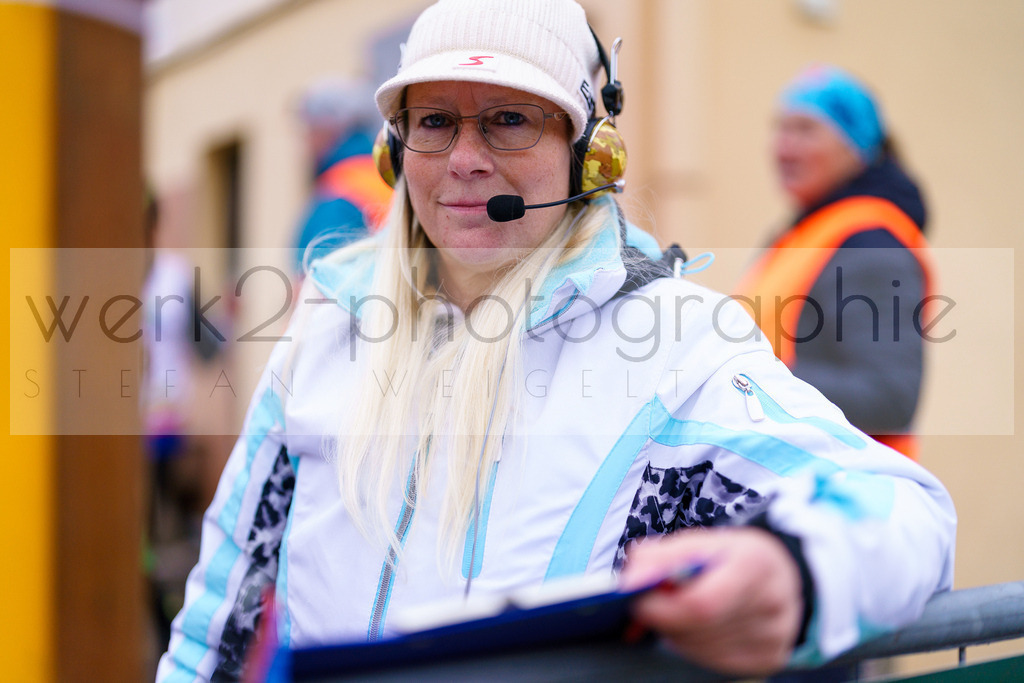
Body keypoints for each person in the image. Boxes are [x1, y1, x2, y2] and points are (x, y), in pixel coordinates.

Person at [157, 2, 955, 681]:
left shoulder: (670, 342)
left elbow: (908, 511)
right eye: (434, 121)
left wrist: (796, 570)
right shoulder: (326, 324)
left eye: (509, 120)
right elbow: (214, 619)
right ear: (395, 150)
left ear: (588, 156)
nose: (464, 161)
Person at [736, 65, 933, 460]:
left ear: (856, 146)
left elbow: (889, 398)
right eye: (781, 128)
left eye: (806, 130)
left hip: (844, 494)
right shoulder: (806, 234)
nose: (784, 147)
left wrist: (744, 381)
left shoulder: (872, 244)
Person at [291, 77, 393, 275]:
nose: (305, 143)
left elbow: (321, 282)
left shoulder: (339, 190)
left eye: (309, 129)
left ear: (327, 127)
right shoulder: (384, 175)